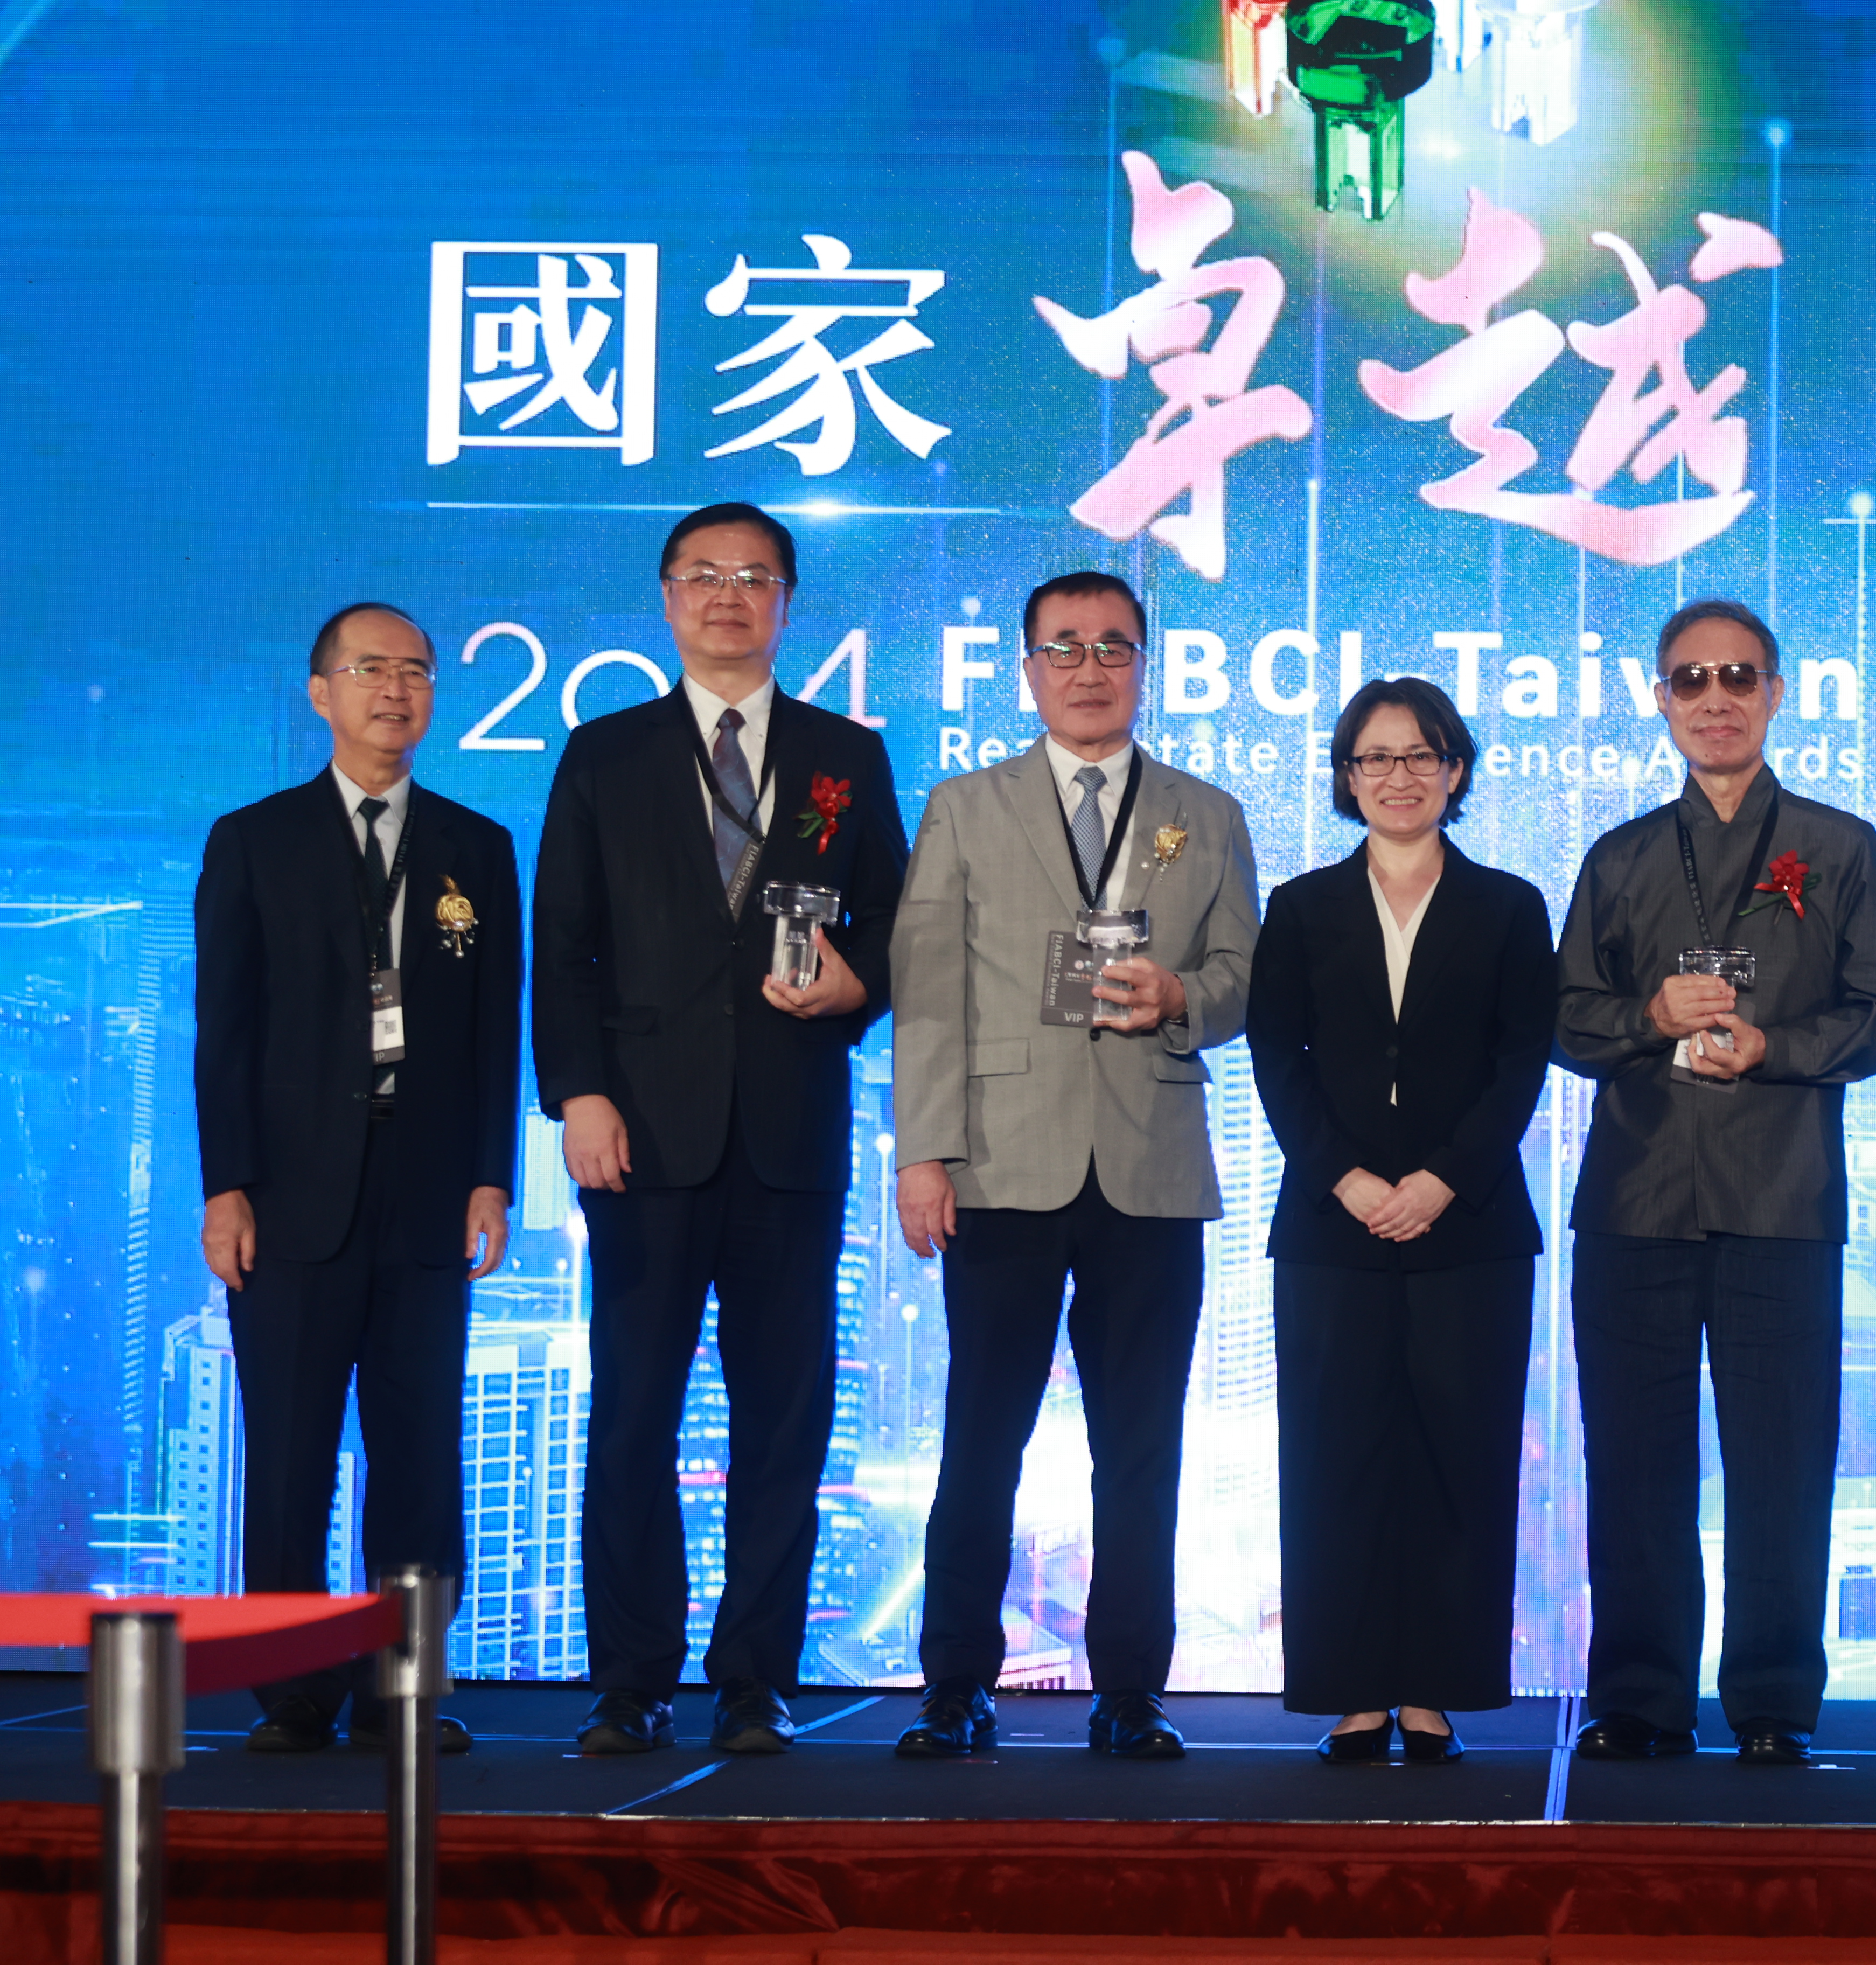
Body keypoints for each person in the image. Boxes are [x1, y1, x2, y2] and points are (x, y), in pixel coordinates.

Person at [532, 503, 906, 1757]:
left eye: (755, 578)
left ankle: (757, 1675)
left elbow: (896, 929)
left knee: (786, 1415)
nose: (729, 596)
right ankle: (631, 1676)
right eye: (705, 576)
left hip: (792, 1131)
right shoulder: (606, 752)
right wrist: (580, 1095)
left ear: (789, 603)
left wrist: (856, 986)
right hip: (638, 1134)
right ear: (668, 597)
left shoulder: (845, 752)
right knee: (634, 1409)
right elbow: (563, 945)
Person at [888, 570, 1258, 1762]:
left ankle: (1133, 1690)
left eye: (1114, 648)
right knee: (981, 1436)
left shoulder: (1207, 811)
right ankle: (954, 1688)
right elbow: (928, 991)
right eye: (1065, 648)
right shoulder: (965, 804)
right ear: (1028, 669)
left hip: (1148, 1163)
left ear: (1146, 666)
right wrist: (923, 1154)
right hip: (998, 1166)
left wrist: (1182, 997)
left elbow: (1247, 975)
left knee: (1143, 1446)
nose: (1090, 668)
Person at [1554, 597, 1876, 1767]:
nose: (1715, 699)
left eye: (1739, 677)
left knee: (1782, 1461)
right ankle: (1641, 1700)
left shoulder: (1842, 844)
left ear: (1776, 693)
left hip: (1782, 1197)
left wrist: (1778, 1045)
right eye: (1691, 679)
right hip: (1635, 1200)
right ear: (1659, 699)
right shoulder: (1617, 855)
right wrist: (1648, 1016)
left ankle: (1772, 1703)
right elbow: (1564, 1018)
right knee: (1636, 1461)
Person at [195, 602, 518, 1753]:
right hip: (288, 1198)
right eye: (372, 669)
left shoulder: (476, 848)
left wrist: (493, 1177)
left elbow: (494, 1028)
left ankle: (406, 1689)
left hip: (428, 1192)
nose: (398, 690)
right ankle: (292, 1692)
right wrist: (226, 1184)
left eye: (418, 672)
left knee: (420, 1451)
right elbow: (223, 1031)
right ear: (321, 691)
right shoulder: (255, 839)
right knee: (287, 1453)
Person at [1249, 677, 1556, 1764]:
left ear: (1457, 771)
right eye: (1375, 759)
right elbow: (1274, 1055)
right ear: (1346, 777)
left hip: (1469, 1228)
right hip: (1330, 1228)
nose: (1399, 777)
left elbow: (1524, 1058)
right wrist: (1343, 1178)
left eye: (1422, 756)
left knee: (1460, 1457)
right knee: (1336, 1456)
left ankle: (1435, 1689)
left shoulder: (1510, 906)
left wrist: (1442, 1179)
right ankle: (1348, 1690)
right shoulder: (1300, 907)